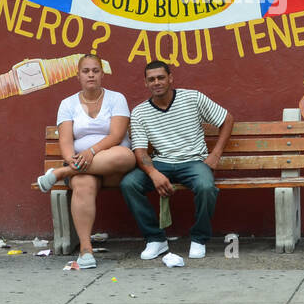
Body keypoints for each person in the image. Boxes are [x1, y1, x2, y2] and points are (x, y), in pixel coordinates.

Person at [121, 61, 234, 261]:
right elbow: (139, 151)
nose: (157, 82)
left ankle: (199, 238)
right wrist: (153, 173)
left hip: (193, 162)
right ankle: (155, 239)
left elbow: (227, 119)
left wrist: (215, 154)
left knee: (206, 186)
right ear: (146, 83)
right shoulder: (140, 112)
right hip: (160, 163)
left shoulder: (193, 98)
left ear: (170, 78)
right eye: (151, 79)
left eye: (161, 77)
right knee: (129, 183)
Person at [35, 54, 136, 269]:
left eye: (95, 70)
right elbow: (66, 142)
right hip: (83, 169)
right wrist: (73, 159)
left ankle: (61, 173)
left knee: (125, 155)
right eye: (86, 71)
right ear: (78, 75)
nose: (91, 74)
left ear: (102, 74)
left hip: (113, 165)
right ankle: (86, 249)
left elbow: (117, 136)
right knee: (83, 183)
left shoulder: (116, 98)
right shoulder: (67, 103)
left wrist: (90, 152)